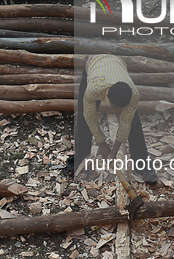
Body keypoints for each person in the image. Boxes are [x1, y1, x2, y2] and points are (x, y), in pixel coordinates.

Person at [66, 54, 158, 184]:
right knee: (83, 119)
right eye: (116, 108)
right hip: (94, 65)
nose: (119, 112)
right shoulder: (93, 89)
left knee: (134, 123)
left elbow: (126, 124)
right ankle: (78, 159)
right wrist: (101, 143)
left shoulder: (133, 94)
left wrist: (114, 152)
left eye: (122, 108)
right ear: (108, 97)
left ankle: (144, 168)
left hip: (117, 63)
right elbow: (89, 117)